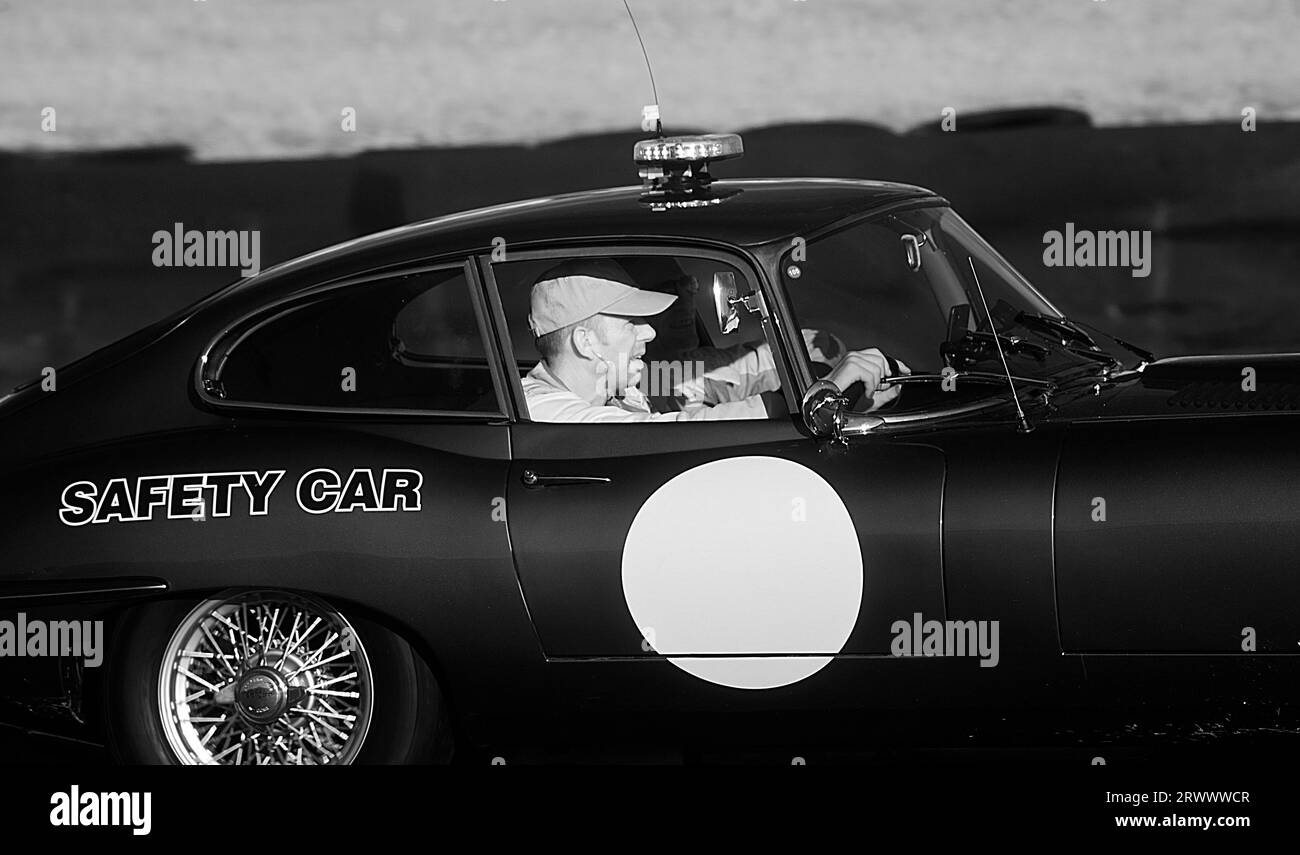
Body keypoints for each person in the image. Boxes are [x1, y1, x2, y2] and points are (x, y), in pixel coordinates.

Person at [521, 259, 904, 423]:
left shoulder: (623, 383)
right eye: (632, 322)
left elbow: (709, 379)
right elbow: (684, 428)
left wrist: (818, 364)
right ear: (587, 343)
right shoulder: (550, 415)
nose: (649, 331)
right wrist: (821, 399)